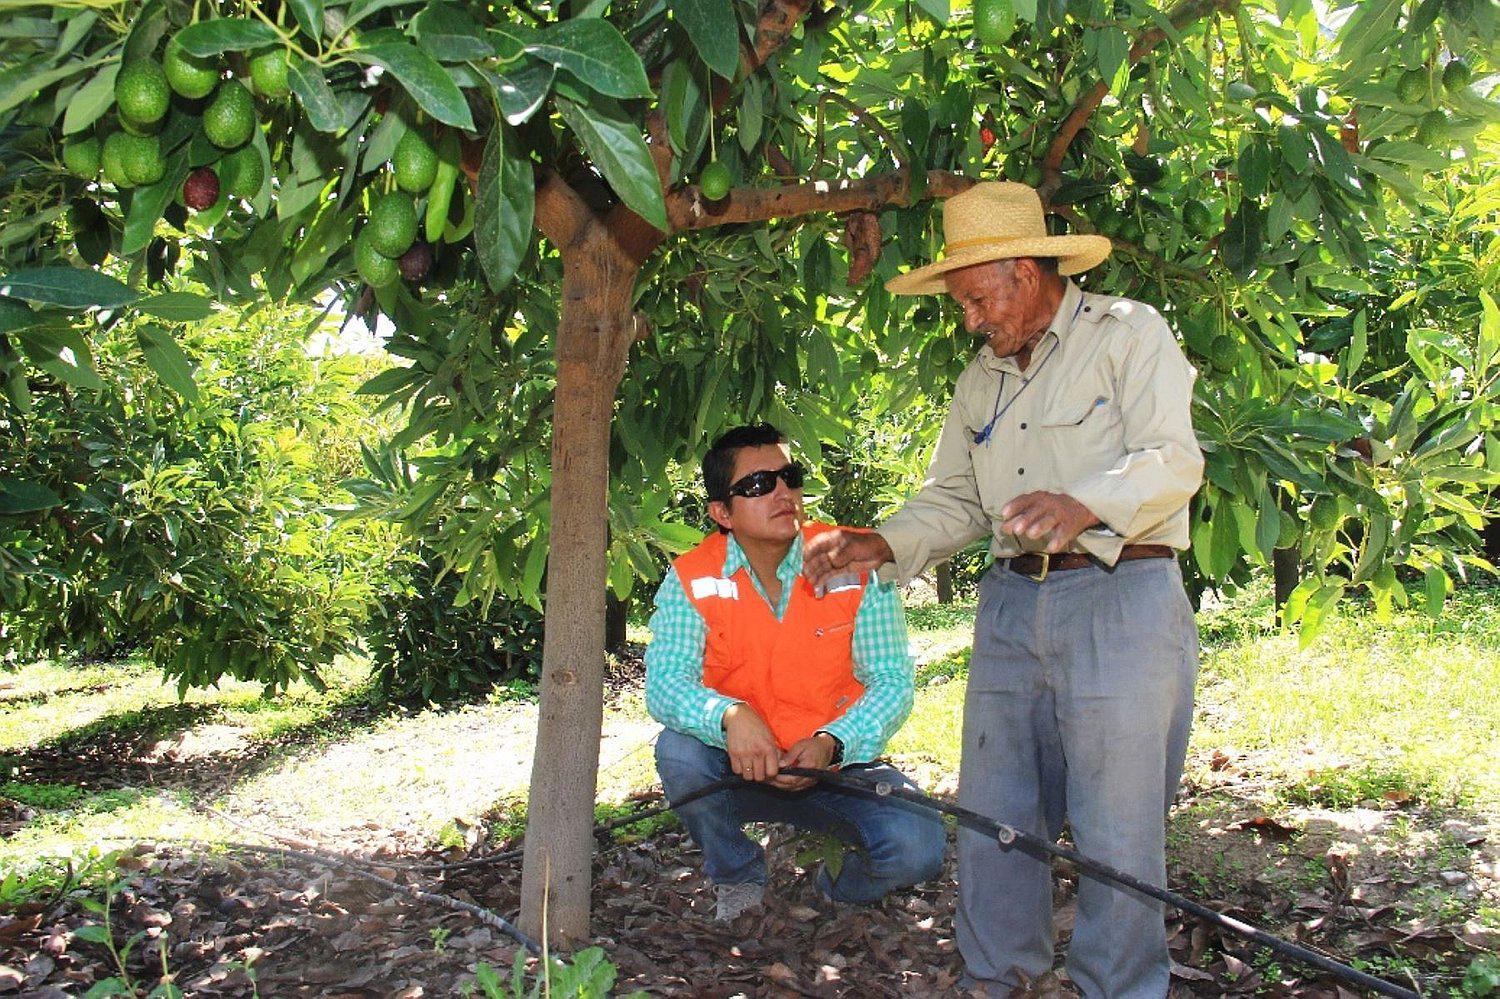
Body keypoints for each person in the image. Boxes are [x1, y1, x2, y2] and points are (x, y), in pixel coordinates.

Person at [803, 181, 1204, 997]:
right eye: (962, 305)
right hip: (1013, 606)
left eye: (979, 299)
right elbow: (956, 497)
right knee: (994, 813)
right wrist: (882, 540)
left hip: (1121, 594)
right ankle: (998, 977)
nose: (973, 320)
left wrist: (1085, 501)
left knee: (1117, 826)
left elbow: (1173, 460)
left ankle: (1119, 986)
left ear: (1025, 270)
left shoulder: (1127, 335)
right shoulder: (980, 379)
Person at [645, 423, 946, 922]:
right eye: (759, 485)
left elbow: (891, 680)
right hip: (734, 765)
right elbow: (666, 685)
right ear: (722, 512)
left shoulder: (851, 561)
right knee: (679, 753)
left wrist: (832, 742)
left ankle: (837, 892)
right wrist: (730, 716)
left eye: (790, 476)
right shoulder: (692, 576)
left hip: (835, 766)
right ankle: (737, 876)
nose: (783, 492)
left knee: (919, 844)